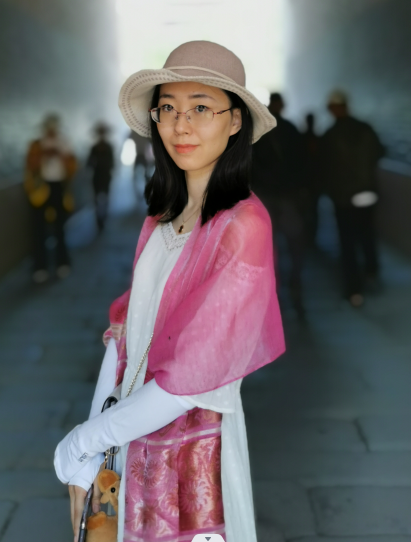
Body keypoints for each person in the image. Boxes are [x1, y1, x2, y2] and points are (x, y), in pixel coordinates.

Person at [54, 41, 285, 542]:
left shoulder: (244, 227)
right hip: (126, 439)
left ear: (235, 121)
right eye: (168, 109)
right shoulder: (163, 217)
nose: (181, 125)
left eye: (201, 108)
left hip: (192, 459)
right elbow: (125, 338)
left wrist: (82, 441)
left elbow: (192, 380)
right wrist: (93, 447)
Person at [321, 90, 384, 307]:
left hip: (344, 197)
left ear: (332, 109)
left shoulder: (330, 135)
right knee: (368, 236)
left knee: (347, 243)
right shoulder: (365, 129)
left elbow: (324, 167)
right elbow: (379, 152)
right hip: (367, 192)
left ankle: (354, 290)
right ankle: (372, 273)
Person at [252, 92, 306, 318]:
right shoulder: (291, 130)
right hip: (287, 196)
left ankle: (274, 295)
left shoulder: (258, 132)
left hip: (266, 196)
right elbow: (303, 162)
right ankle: (295, 291)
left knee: (268, 250)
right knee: (294, 248)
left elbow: (250, 164)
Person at [24, 114, 77, 283]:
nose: (51, 131)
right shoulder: (36, 144)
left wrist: (60, 154)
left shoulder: (64, 143)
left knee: (60, 227)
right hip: (40, 189)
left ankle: (62, 262)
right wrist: (43, 154)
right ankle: (40, 266)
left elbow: (72, 167)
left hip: (59, 188)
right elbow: (30, 164)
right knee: (38, 229)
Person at [87, 123, 115, 231]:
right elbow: (89, 163)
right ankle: (99, 220)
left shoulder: (107, 147)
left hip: (105, 175)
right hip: (98, 175)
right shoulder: (95, 148)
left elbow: (112, 163)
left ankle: (103, 218)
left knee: (105, 197)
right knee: (97, 199)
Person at [302, 113, 321, 244]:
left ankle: (309, 238)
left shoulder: (302, 138)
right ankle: (311, 238)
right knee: (313, 211)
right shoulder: (316, 138)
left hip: (307, 181)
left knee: (307, 211)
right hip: (313, 181)